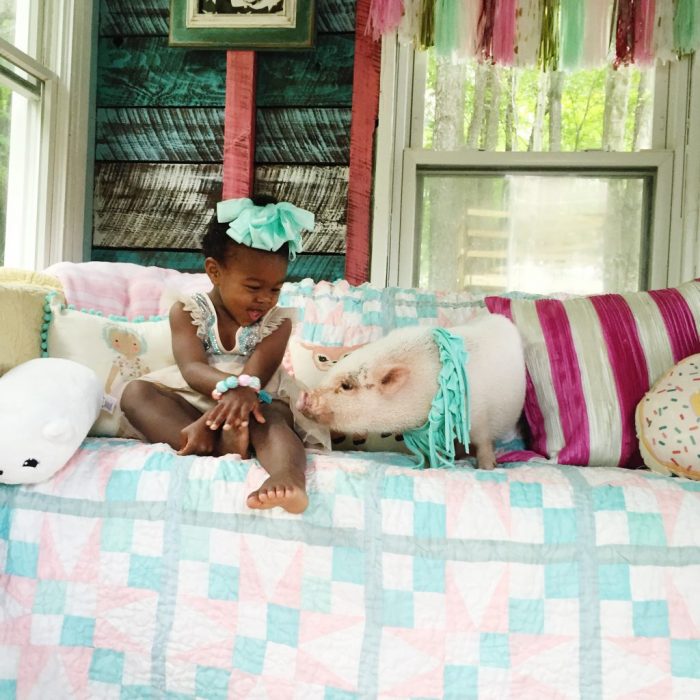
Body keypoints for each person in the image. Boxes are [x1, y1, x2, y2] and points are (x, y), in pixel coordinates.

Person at [120, 195, 329, 514]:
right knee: (136, 394)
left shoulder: (278, 323)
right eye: (253, 287)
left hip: (258, 399)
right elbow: (191, 368)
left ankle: (288, 475)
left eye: (275, 289)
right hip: (197, 401)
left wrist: (242, 392)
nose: (265, 299)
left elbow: (256, 376)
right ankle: (212, 441)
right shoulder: (188, 311)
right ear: (214, 272)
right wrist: (221, 401)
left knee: (272, 419)